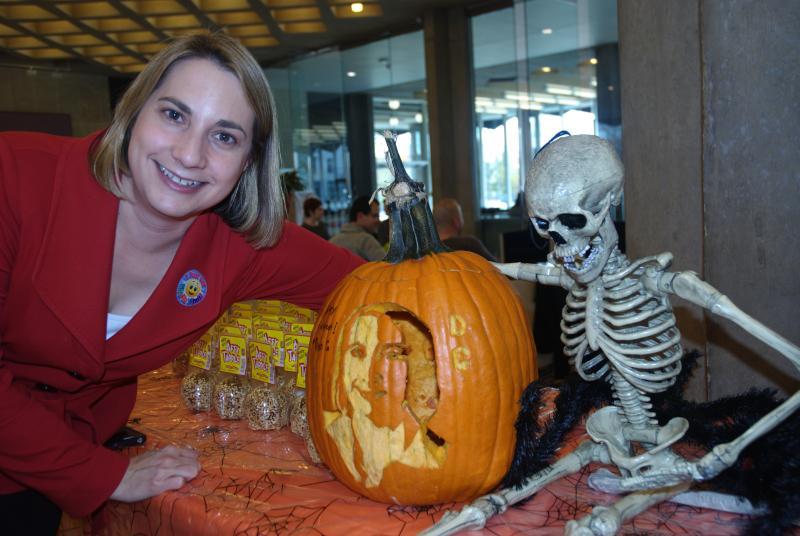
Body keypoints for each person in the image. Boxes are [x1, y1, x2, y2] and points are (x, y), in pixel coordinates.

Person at [0, 32, 363, 534]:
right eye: (174, 115)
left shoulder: (239, 247)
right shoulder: (14, 178)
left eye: (225, 136)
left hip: (40, 473)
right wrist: (101, 476)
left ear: (247, 163)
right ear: (133, 112)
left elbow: (375, 285)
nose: (191, 154)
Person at [329, 195, 386, 261]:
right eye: (375, 216)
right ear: (360, 216)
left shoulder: (332, 241)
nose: (378, 221)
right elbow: (388, 267)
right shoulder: (366, 240)